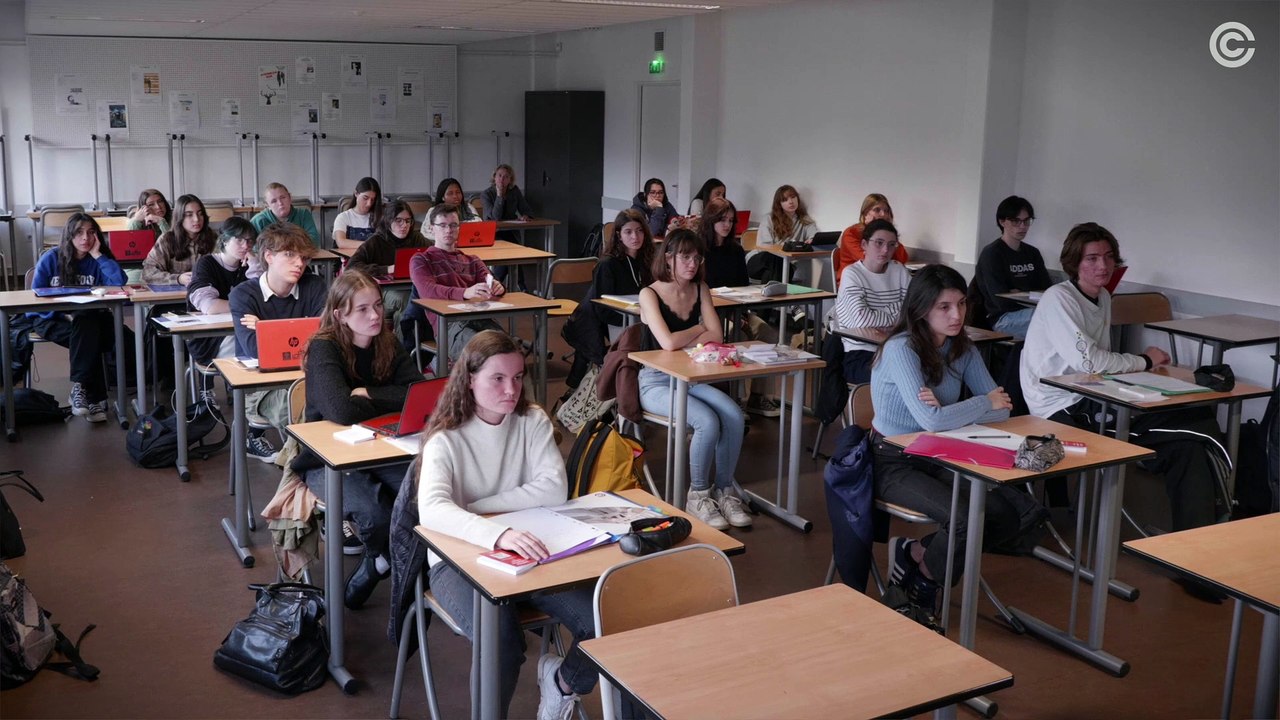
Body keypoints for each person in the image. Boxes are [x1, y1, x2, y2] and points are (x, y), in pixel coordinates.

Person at [417, 330, 599, 720]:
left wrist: (478, 509)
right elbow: (432, 510)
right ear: (469, 379)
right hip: (458, 560)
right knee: (502, 643)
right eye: (497, 379)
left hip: (532, 547)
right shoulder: (445, 438)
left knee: (605, 616)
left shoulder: (531, 420)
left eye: (518, 377)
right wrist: (496, 530)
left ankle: (562, 683)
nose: (511, 389)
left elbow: (553, 489)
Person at [1020, 222, 1225, 538]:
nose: (1102, 265)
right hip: (1062, 407)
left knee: (1187, 446)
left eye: (1108, 256)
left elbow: (1097, 366)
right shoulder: (1059, 298)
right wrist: (1144, 360)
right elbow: (1092, 361)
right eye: (1091, 258)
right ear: (1074, 262)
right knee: (1193, 423)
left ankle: (1194, 551)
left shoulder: (1102, 297)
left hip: (1091, 392)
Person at [870, 264, 1045, 619]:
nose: (957, 315)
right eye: (944, 307)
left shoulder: (962, 348)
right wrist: (976, 405)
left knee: (1020, 513)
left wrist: (955, 410)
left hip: (941, 452)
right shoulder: (901, 349)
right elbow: (933, 419)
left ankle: (919, 557)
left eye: (962, 304)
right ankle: (920, 593)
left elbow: (1003, 409)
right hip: (893, 459)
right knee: (965, 518)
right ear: (921, 310)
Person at [297, 270, 422, 610]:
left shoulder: (386, 340)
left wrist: (367, 393)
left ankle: (383, 563)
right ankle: (380, 561)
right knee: (377, 514)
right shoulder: (325, 346)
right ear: (340, 315)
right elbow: (340, 409)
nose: (375, 316)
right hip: (325, 459)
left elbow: (419, 392)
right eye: (363, 309)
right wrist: (383, 399)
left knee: (424, 496)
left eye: (378, 306)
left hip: (383, 448)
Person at [637, 229, 751, 530]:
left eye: (697, 257)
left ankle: (724, 490)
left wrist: (692, 333)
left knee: (734, 415)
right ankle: (697, 495)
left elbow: (718, 335)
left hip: (692, 378)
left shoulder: (700, 287)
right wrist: (698, 329)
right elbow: (668, 343)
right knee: (707, 422)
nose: (692, 263)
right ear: (669, 258)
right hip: (655, 382)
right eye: (685, 257)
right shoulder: (649, 293)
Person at [229, 222, 326, 461]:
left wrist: (265, 329)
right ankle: (306, 469)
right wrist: (304, 330)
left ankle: (304, 465)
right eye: (290, 255)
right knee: (299, 402)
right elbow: (255, 349)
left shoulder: (314, 286)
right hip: (260, 387)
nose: (299, 263)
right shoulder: (243, 294)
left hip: (308, 375)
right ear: (269, 256)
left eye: (304, 257)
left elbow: (325, 339)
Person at [28, 213, 131, 422]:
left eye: (91, 232)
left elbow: (120, 282)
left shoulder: (98, 259)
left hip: (90, 320)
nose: (85, 238)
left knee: (87, 322)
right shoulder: (51, 258)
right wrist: (65, 315)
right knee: (88, 333)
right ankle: (94, 399)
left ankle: (80, 388)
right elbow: (34, 299)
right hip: (51, 319)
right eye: (79, 232)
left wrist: (99, 256)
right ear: (69, 235)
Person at [698, 197, 780, 417]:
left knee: (768, 334)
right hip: (707, 315)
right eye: (722, 219)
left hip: (736, 309)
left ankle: (759, 397)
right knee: (737, 340)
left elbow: (743, 286)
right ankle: (737, 399)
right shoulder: (699, 248)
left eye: (730, 220)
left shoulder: (735, 249)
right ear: (710, 220)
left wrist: (743, 313)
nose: (726, 224)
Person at [562, 208, 655, 390]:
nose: (635, 237)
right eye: (628, 232)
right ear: (619, 236)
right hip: (602, 321)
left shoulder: (647, 260)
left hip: (635, 317)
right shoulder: (608, 264)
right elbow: (602, 309)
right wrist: (637, 318)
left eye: (639, 231)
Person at [404, 203, 506, 361]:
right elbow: (428, 291)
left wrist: (497, 287)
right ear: (432, 228)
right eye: (442, 225)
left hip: (479, 318)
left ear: (459, 228)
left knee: (509, 349)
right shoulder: (421, 260)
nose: (448, 230)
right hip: (448, 325)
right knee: (484, 356)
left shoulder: (473, 260)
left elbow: (489, 280)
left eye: (453, 225)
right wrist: (465, 292)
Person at [834, 218, 911, 384]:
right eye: (879, 243)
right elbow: (862, 321)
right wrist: (897, 310)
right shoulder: (852, 274)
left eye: (892, 245)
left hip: (897, 349)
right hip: (861, 353)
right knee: (904, 379)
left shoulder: (899, 271)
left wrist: (881, 316)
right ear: (864, 245)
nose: (885, 250)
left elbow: (912, 312)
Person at [974, 195, 1052, 339]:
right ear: (1002, 221)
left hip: (1034, 311)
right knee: (1052, 317)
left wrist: (1017, 292)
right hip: (1003, 319)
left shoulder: (1032, 253)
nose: (1023, 226)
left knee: (1058, 315)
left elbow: (1047, 289)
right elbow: (1001, 301)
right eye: (1016, 221)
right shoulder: (992, 254)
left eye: (1027, 221)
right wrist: (1028, 294)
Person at [186, 217, 257, 373]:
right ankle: (244, 395)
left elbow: (265, 299)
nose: (246, 246)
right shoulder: (206, 264)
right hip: (209, 339)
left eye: (250, 241)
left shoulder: (250, 266)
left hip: (240, 330)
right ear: (225, 240)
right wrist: (246, 307)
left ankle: (244, 395)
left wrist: (256, 267)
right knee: (253, 350)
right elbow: (210, 306)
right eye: (239, 240)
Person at [346, 199, 428, 334]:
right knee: (405, 300)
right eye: (399, 220)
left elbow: (435, 253)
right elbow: (351, 267)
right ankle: (407, 348)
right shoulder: (377, 241)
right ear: (389, 221)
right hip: (382, 293)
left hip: (411, 288)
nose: (404, 225)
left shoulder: (416, 238)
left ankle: (409, 348)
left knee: (406, 309)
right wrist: (385, 269)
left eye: (408, 221)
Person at [749, 184, 818, 284]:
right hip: (759, 260)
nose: (791, 202)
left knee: (770, 274)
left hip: (784, 265)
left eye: (793, 197)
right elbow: (763, 247)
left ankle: (771, 297)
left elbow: (814, 234)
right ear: (779, 204)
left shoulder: (804, 219)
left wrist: (812, 240)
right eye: (785, 200)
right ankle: (780, 296)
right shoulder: (769, 218)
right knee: (776, 259)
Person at [142, 193, 216, 286]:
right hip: (175, 297)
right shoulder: (167, 240)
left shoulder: (213, 238)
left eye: (200, 214)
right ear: (180, 217)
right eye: (189, 215)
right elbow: (148, 274)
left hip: (207, 294)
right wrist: (178, 279)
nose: (197, 219)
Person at [835, 193, 910, 286]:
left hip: (882, 279)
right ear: (865, 213)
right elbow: (869, 260)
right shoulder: (851, 233)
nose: (883, 215)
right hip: (854, 280)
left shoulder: (886, 234)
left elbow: (902, 259)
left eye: (886, 211)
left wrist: (889, 231)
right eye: (877, 210)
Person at [480, 164, 534, 287]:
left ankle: (517, 286)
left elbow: (527, 210)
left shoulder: (514, 191)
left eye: (506, 177)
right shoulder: (486, 194)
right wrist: (499, 196)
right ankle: (500, 284)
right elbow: (495, 217)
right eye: (499, 176)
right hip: (493, 234)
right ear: (494, 177)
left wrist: (525, 215)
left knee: (516, 253)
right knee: (509, 257)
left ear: (510, 180)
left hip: (510, 232)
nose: (502, 179)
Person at [250, 182, 320, 245]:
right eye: (274, 201)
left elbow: (314, 242)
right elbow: (254, 248)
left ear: (290, 198)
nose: (280, 203)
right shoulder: (258, 221)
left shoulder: (303, 214)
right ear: (268, 205)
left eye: (283, 197)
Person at [421, 177, 480, 244]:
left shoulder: (468, 207)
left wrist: (455, 226)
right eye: (450, 193)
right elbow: (425, 233)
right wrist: (448, 237)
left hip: (466, 243)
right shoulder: (433, 210)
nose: (455, 196)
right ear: (443, 197)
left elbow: (479, 224)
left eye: (458, 192)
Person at [332, 176, 383, 250]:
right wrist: (369, 244)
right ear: (356, 193)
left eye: (372, 200)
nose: (369, 203)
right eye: (365, 198)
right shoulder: (343, 217)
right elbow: (341, 242)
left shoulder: (378, 218)